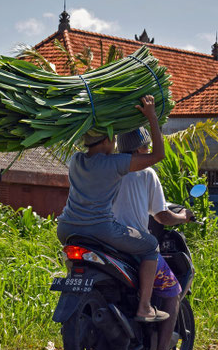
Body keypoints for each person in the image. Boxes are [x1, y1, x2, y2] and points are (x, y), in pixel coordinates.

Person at [57, 95, 169, 323]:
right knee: (150, 245)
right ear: (108, 139)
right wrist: (152, 118)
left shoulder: (76, 160)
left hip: (66, 229)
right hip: (99, 229)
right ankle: (145, 306)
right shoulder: (114, 163)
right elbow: (158, 155)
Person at [112, 127, 193, 350]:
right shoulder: (147, 174)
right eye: (146, 147)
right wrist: (182, 217)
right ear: (139, 149)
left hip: (103, 241)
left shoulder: (107, 169)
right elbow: (162, 216)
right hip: (132, 244)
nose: (148, 150)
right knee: (172, 291)